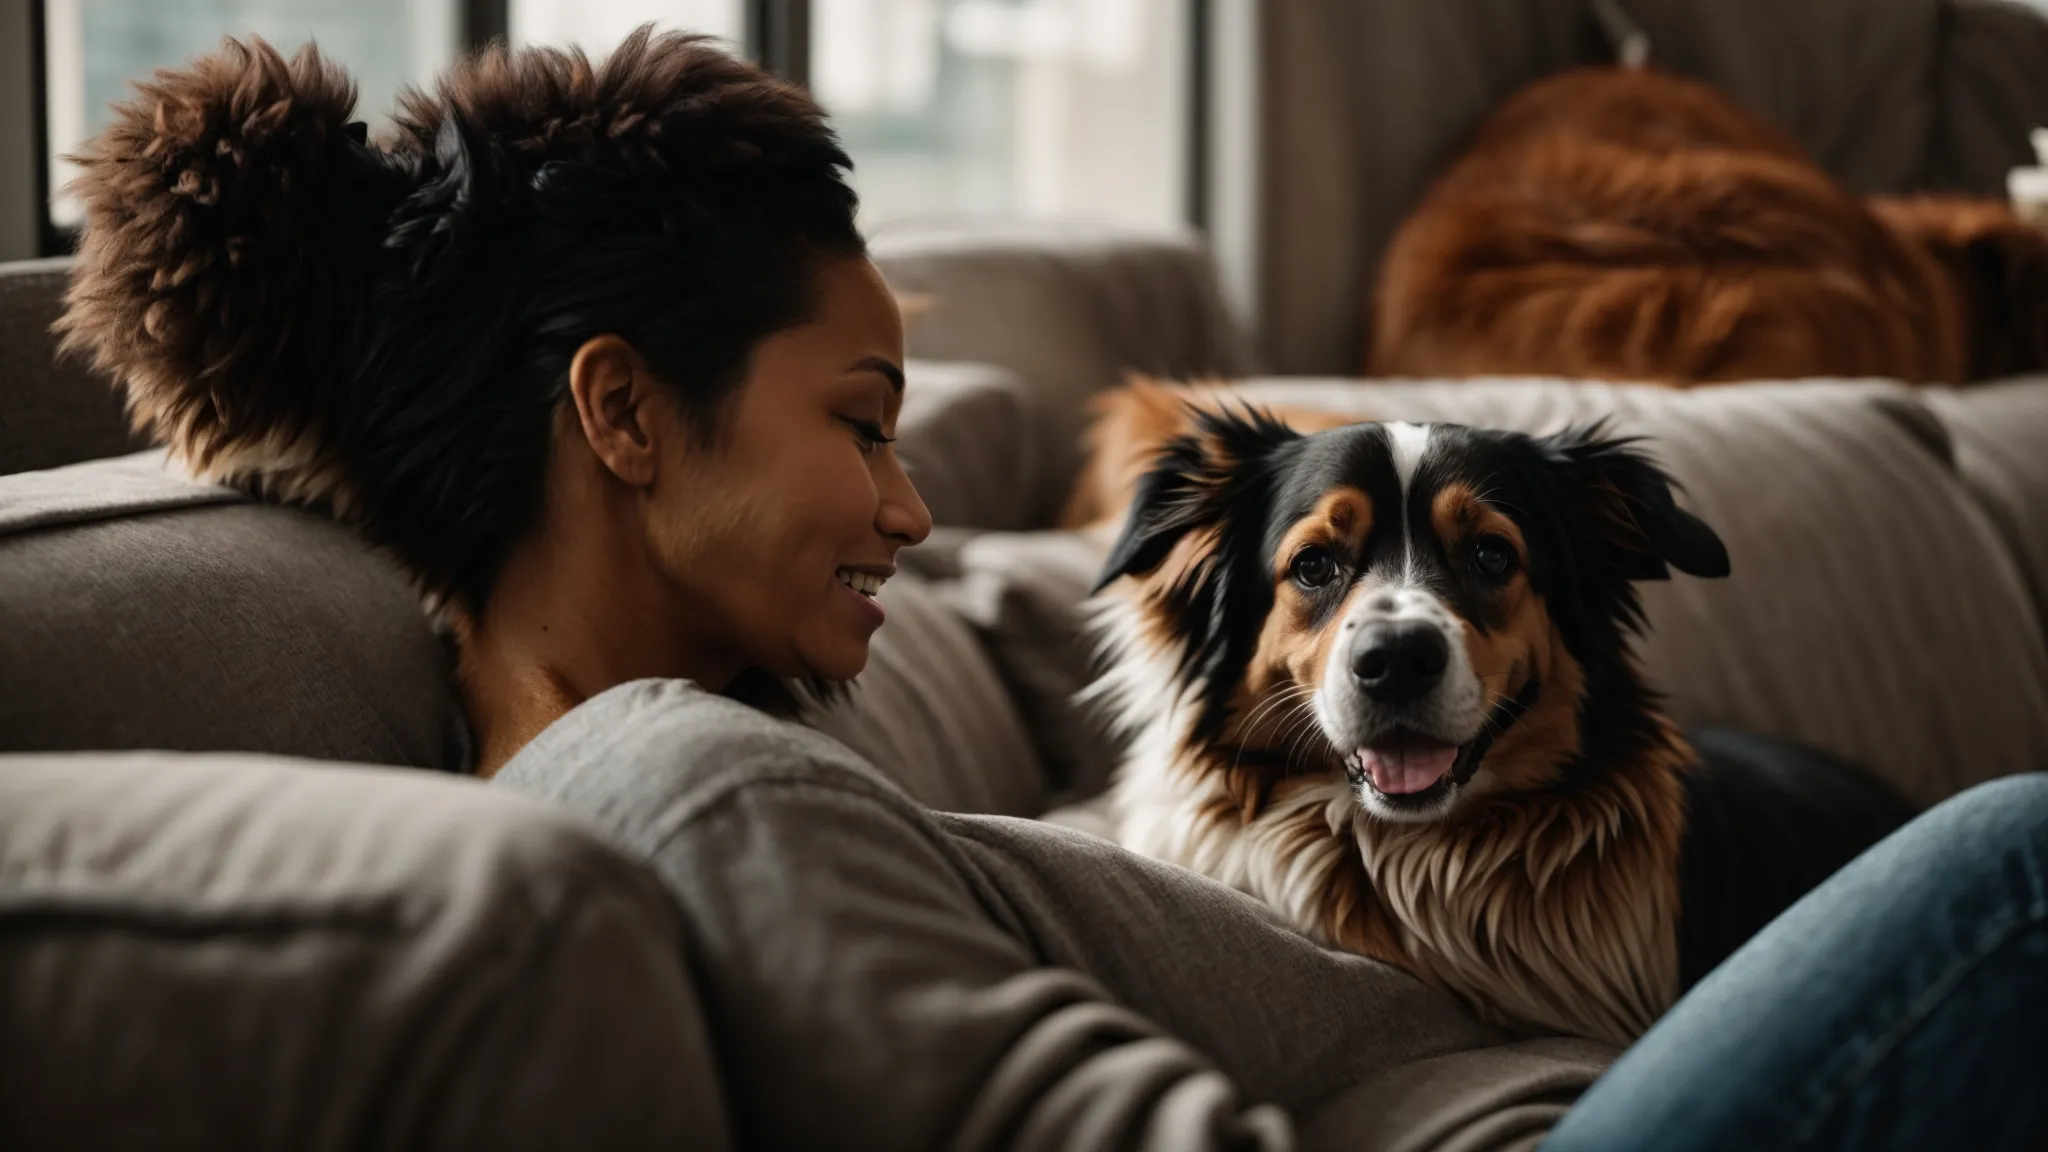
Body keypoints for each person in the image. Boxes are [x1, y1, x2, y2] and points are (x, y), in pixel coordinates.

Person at [56, 27, 2048, 1151]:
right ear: (624, 418)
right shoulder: (668, 779)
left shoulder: (714, 769)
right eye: (862, 420)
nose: (917, 515)